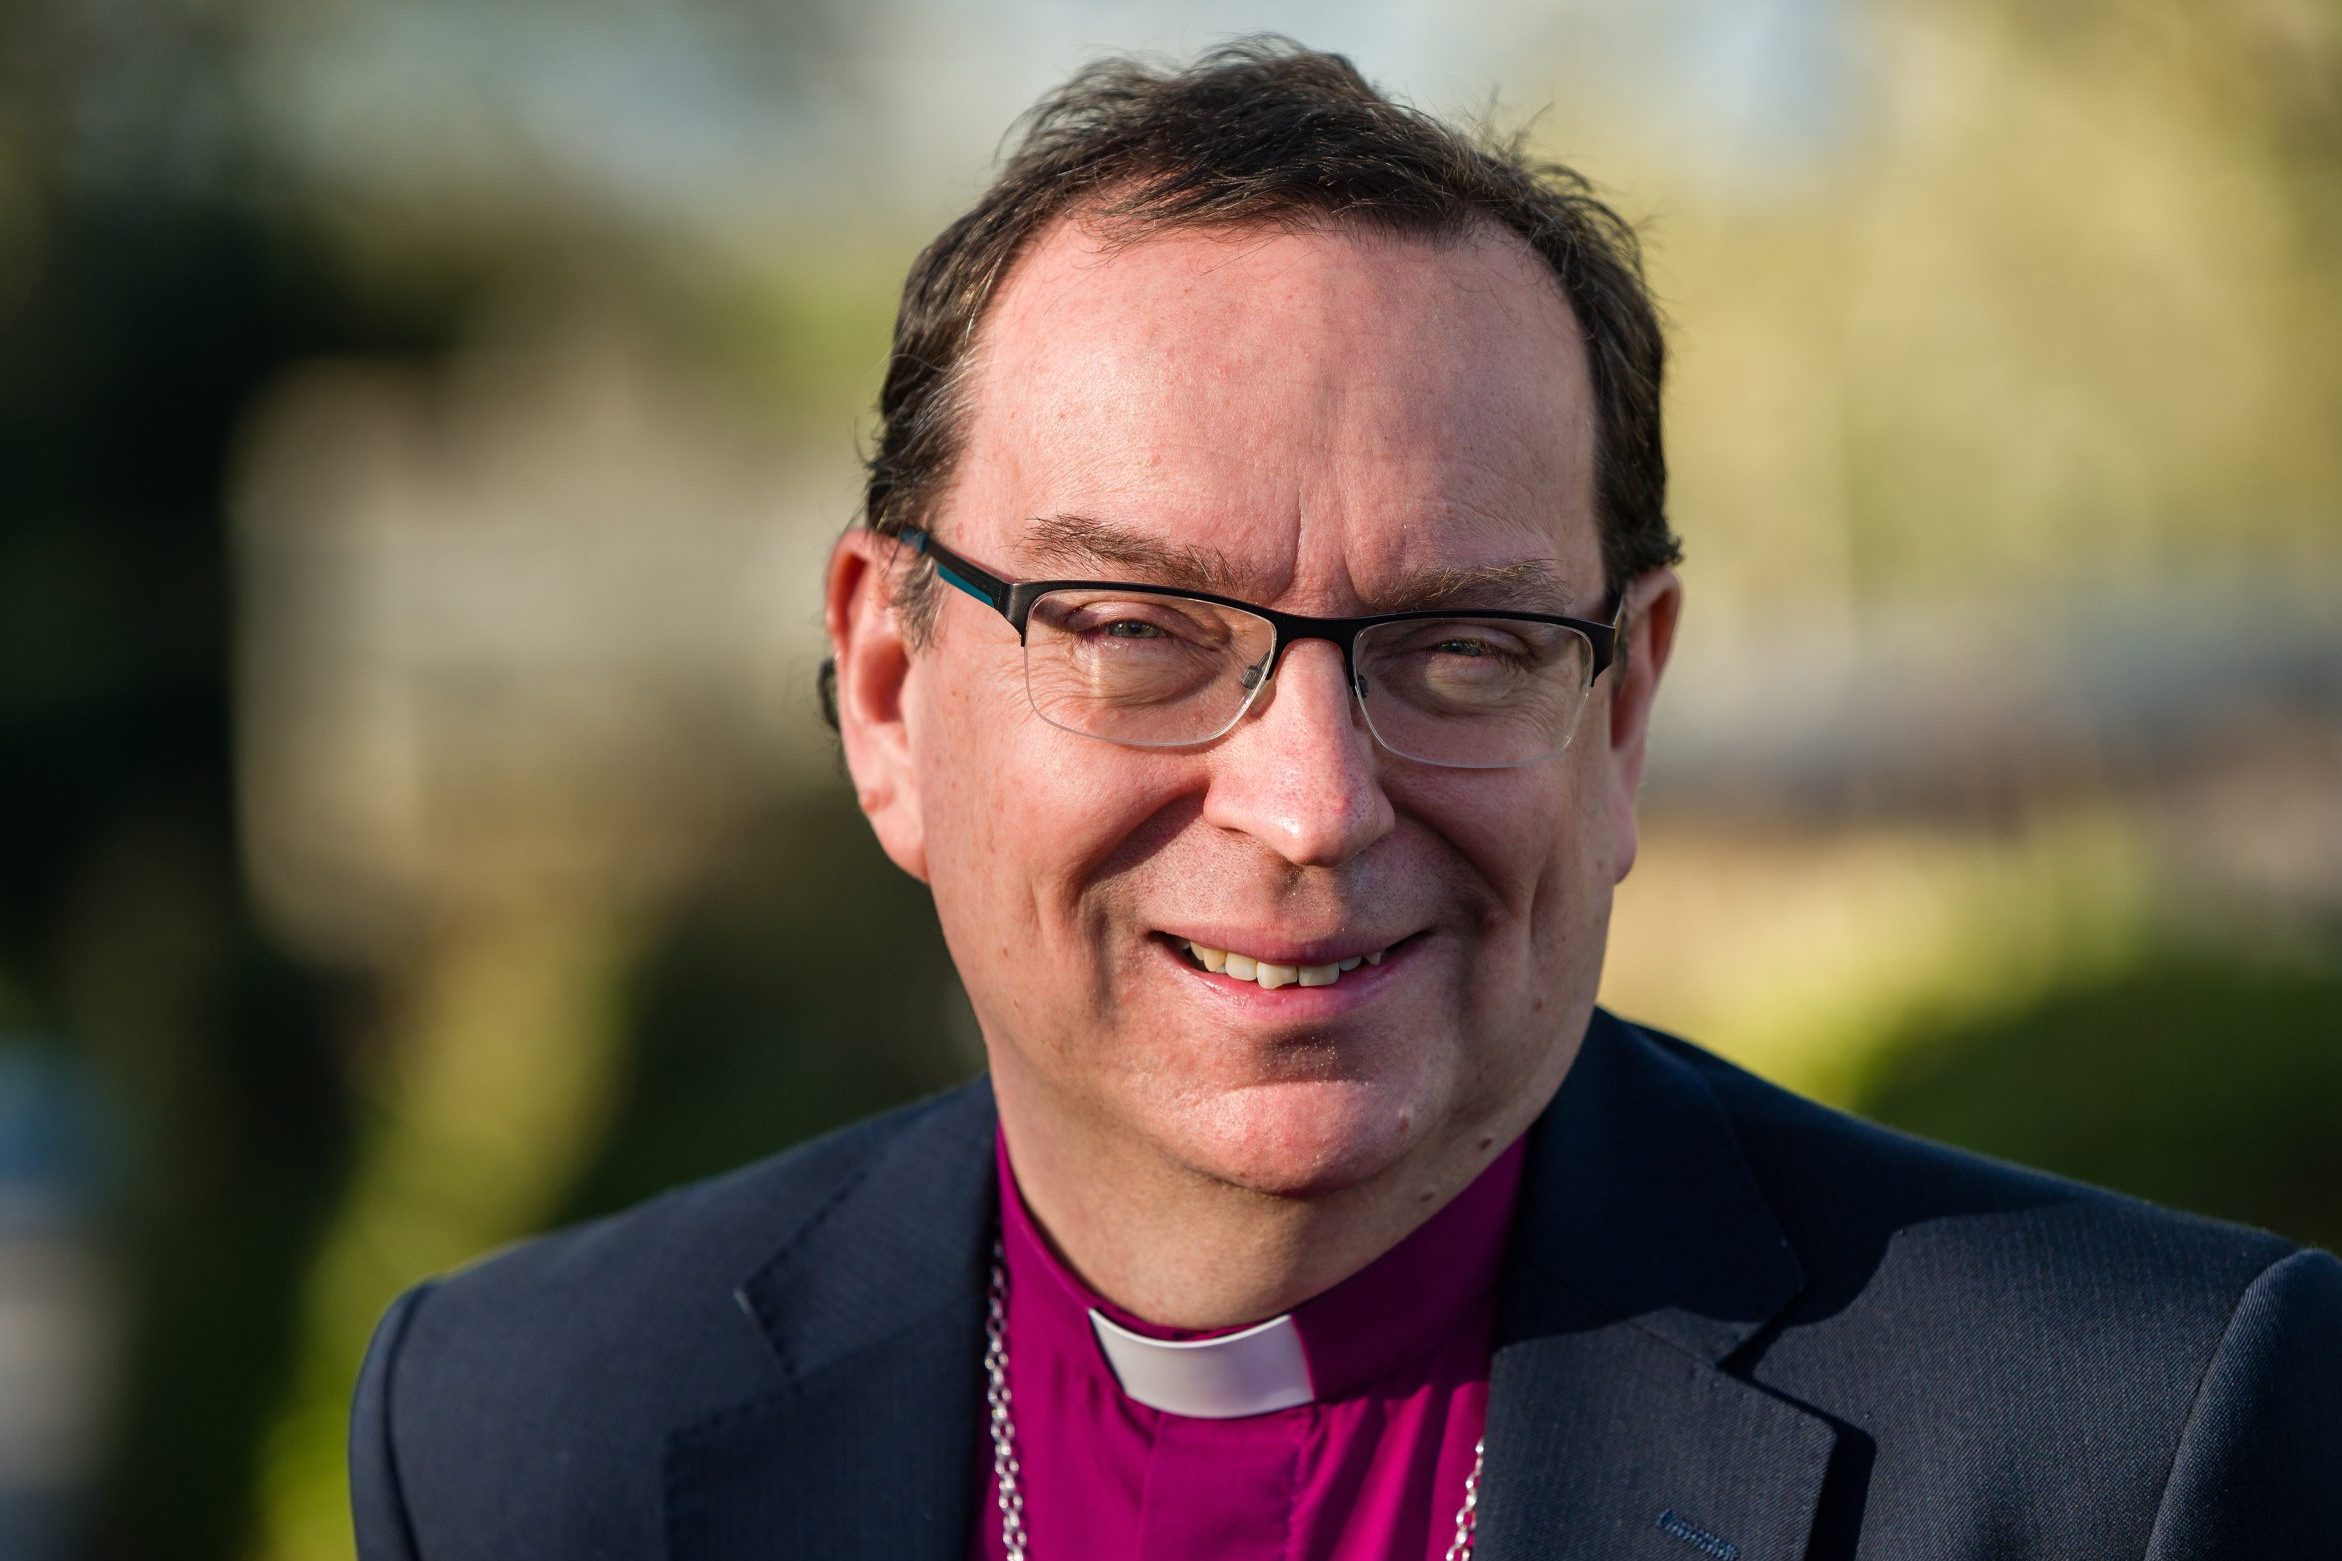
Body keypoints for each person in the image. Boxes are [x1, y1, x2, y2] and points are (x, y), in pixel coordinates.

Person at [349, 40, 2341, 1561]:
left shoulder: (2135, 1445)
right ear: (887, 692)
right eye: (1134, 628)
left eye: (1461, 647)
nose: (1308, 801)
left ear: (1621, 710)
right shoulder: (521, 1437)